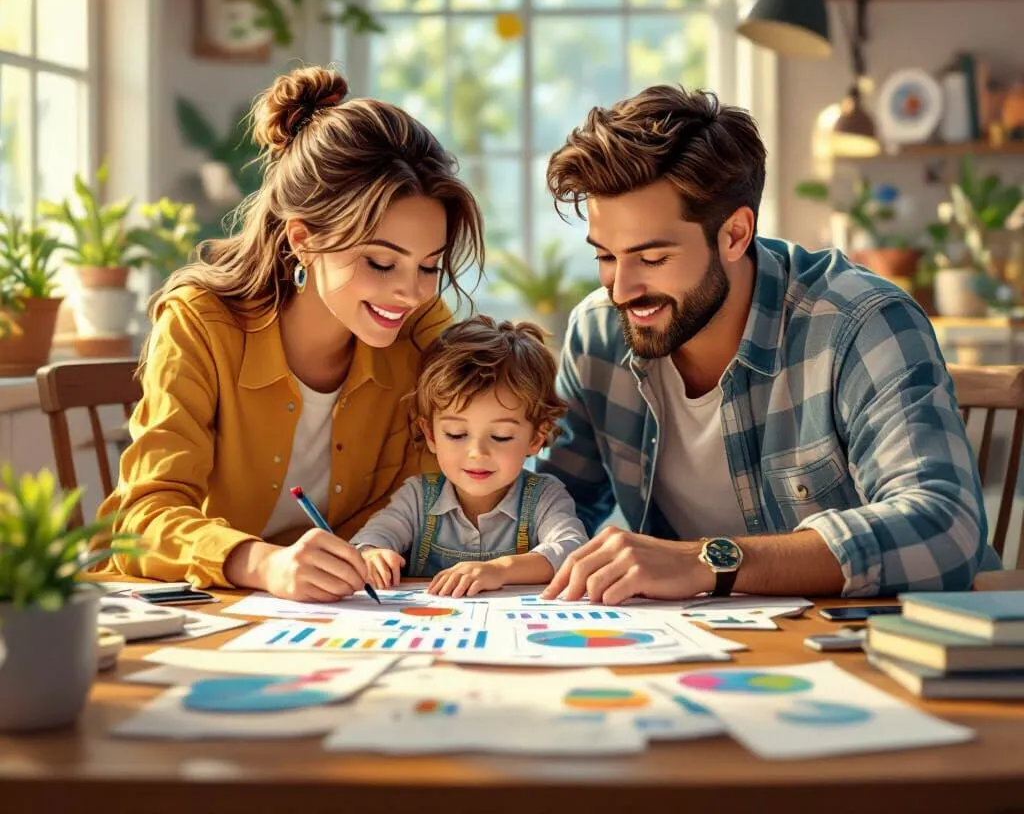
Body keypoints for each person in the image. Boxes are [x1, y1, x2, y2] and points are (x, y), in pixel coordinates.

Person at [533, 84, 997, 606]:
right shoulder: (598, 334)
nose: (621, 290)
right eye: (606, 257)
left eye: (653, 258)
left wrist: (707, 562)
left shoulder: (860, 323)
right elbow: (555, 508)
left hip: (889, 643)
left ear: (734, 235)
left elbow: (944, 529)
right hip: (707, 643)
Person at [96, 66, 485, 602]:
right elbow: (138, 521)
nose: (413, 294)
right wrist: (264, 564)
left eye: (428, 266)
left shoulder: (421, 332)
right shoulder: (201, 323)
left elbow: (429, 499)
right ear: (302, 238)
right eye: (380, 262)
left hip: (352, 618)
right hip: (212, 615)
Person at [350, 315, 588, 597]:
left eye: (501, 436)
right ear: (430, 434)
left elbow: (573, 549)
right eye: (456, 434)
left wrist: (500, 570)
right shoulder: (416, 498)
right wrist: (372, 553)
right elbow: (369, 540)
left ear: (536, 438)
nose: (477, 453)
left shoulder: (544, 498)